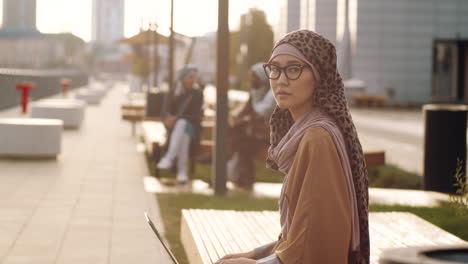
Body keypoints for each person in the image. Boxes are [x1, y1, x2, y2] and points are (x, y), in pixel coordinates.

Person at [215, 30, 369, 264]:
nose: (281, 79)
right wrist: (255, 255)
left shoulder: (317, 138)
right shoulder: (307, 132)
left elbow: (316, 241)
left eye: (294, 69)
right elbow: (298, 234)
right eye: (274, 69)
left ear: (319, 76)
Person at [227, 62, 276, 190]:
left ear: (262, 77)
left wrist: (242, 120)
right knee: (241, 141)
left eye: (254, 76)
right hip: (253, 132)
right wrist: (238, 118)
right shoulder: (255, 92)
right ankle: (241, 178)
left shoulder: (273, 94)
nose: (251, 80)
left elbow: (261, 113)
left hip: (268, 133)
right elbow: (247, 111)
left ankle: (237, 176)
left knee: (241, 142)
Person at [157, 65, 203, 184]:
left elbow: (196, 116)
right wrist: (167, 119)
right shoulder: (174, 92)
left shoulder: (197, 93)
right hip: (175, 131)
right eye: (190, 77)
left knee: (182, 124)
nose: (192, 80)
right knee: (183, 133)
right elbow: (164, 112)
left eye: (194, 78)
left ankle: (169, 157)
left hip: (193, 128)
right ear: (182, 79)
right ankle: (182, 172)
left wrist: (176, 118)